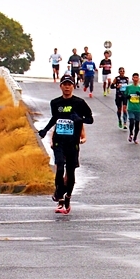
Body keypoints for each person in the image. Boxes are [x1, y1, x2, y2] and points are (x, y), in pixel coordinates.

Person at [37, 74, 94, 214]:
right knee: (59, 167)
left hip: (72, 143)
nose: (67, 87)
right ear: (61, 86)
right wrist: (45, 130)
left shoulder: (79, 103)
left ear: (73, 86)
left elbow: (90, 119)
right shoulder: (55, 103)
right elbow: (55, 118)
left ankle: (67, 196)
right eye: (65, 84)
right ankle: (59, 195)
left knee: (70, 172)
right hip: (59, 141)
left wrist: (79, 119)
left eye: (69, 84)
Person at [125, 72, 140, 144]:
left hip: (138, 109)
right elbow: (124, 96)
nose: (135, 79)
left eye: (137, 78)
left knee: (137, 124)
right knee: (131, 121)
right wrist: (127, 97)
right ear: (132, 78)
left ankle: (135, 137)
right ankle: (131, 133)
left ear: (138, 79)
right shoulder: (128, 87)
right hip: (130, 108)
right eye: (134, 77)